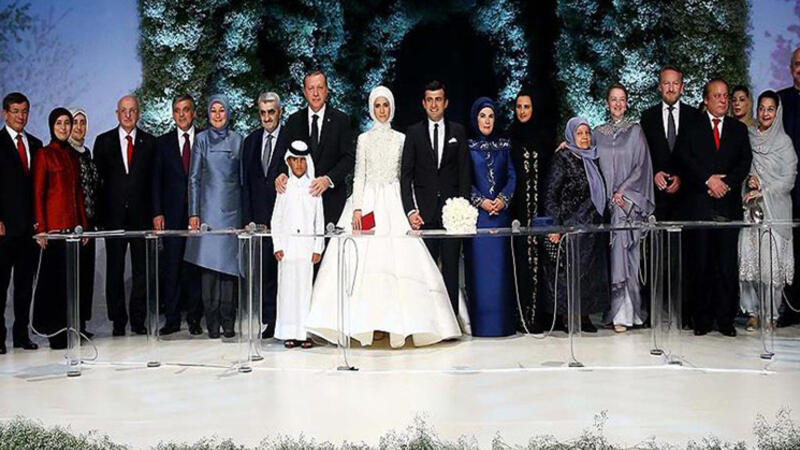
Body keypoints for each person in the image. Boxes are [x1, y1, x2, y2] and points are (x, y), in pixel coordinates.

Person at [305, 86, 461, 348]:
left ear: (392, 108)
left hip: (394, 203)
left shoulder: (401, 139)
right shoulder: (364, 139)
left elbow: (406, 177)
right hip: (367, 203)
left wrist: (411, 209)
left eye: (385, 105)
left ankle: (398, 326)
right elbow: (359, 175)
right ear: (371, 108)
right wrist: (357, 208)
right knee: (364, 265)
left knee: (400, 264)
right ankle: (368, 325)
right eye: (377, 105)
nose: (381, 110)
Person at [678, 79, 752, 337]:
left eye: (725, 96)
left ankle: (725, 319)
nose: (723, 100)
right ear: (706, 100)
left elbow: (744, 162)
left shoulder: (738, 129)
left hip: (728, 206)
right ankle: (702, 318)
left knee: (726, 265)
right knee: (701, 263)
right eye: (717, 96)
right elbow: (684, 159)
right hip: (700, 205)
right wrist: (708, 180)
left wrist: (726, 183)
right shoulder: (692, 126)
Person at [400, 80, 471, 313]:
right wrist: (411, 211)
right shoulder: (413, 133)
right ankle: (429, 320)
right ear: (423, 103)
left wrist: (463, 210)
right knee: (426, 272)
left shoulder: (458, 131)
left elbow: (464, 173)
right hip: (424, 214)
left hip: (452, 215)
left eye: (438, 99)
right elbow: (406, 176)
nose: (433, 104)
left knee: (451, 270)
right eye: (429, 100)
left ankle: (450, 320)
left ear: (445, 103)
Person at [93, 95, 156, 336]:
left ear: (138, 113)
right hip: (114, 218)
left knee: (142, 271)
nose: (128, 115)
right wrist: (99, 218)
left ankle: (138, 320)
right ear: (117, 114)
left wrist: (156, 214)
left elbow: (154, 182)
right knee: (115, 270)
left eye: (132, 110)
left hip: (142, 218)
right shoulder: (103, 141)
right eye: (123, 110)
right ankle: (118, 320)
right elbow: (97, 184)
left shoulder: (150, 142)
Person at [594, 83, 655, 333]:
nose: (618, 104)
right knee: (609, 259)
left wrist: (623, 192)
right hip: (605, 208)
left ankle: (627, 314)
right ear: (607, 103)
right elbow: (588, 157)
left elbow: (642, 166)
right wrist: (569, 145)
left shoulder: (635, 132)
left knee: (627, 257)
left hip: (627, 206)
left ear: (627, 103)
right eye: (613, 99)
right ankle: (613, 311)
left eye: (622, 99)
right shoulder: (597, 133)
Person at [542, 117, 609, 332]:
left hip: (592, 227)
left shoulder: (593, 158)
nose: (585, 137)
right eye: (579, 133)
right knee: (569, 274)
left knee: (588, 275)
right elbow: (551, 194)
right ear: (571, 136)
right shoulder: (563, 158)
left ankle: (584, 315)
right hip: (570, 226)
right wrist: (555, 226)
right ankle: (567, 316)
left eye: (587, 133)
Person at [185, 95, 243, 339]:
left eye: (221, 110)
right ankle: (212, 324)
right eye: (213, 110)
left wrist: (246, 215)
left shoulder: (238, 139)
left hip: (233, 212)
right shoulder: (200, 140)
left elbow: (243, 179)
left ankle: (229, 323)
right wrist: (194, 213)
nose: (218, 115)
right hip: (207, 213)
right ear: (208, 114)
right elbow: (194, 178)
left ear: (228, 113)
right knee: (208, 271)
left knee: (229, 271)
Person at [738, 91, 796, 331]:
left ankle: (771, 314)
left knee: (771, 266)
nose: (765, 113)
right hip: (752, 211)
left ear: (777, 112)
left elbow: (789, 179)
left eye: (770, 109)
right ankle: (752, 313)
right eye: (761, 108)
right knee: (749, 262)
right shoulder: (748, 137)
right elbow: (741, 167)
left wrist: (764, 190)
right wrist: (748, 180)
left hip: (775, 211)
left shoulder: (784, 143)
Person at [32, 108, 87, 349]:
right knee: (52, 284)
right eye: (59, 123)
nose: (64, 128)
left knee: (70, 283)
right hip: (53, 231)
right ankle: (54, 333)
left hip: (72, 231)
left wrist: (83, 225)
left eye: (67, 123)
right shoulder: (44, 154)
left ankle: (70, 329)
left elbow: (78, 194)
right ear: (52, 127)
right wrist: (41, 228)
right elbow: (38, 193)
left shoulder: (72, 156)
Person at [463, 97, 516, 337]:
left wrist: (503, 199)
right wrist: (480, 201)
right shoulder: (468, 147)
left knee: (500, 274)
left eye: (491, 116)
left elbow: (512, 177)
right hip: (478, 220)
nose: (487, 121)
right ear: (475, 119)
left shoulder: (504, 146)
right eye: (482, 116)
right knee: (481, 275)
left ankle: (502, 325)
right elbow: (465, 180)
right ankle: (482, 326)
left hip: (500, 218)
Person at [152, 94, 203, 336]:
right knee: (171, 267)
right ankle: (171, 319)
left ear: (194, 113)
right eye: (177, 110)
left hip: (198, 214)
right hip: (171, 215)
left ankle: (194, 319)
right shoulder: (162, 143)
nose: (182, 114)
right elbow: (155, 181)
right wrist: (157, 211)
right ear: (173, 114)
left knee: (194, 267)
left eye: (186, 109)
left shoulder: (204, 139)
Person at [276, 70, 354, 227]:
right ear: (305, 92)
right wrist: (283, 174)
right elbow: (285, 156)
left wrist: (328, 180)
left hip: (332, 200)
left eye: (320, 87)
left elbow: (348, 158)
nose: (316, 93)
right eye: (311, 88)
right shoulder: (294, 121)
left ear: (327, 90)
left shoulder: (341, 120)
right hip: (300, 205)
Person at [242, 92, 288, 338]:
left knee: (283, 273)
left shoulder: (291, 138)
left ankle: (283, 322)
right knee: (263, 273)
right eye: (263, 113)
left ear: (279, 112)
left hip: (284, 218)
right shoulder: (250, 141)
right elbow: (246, 184)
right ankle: (268, 321)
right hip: (258, 220)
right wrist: (248, 218)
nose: (267, 117)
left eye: (271, 112)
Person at [0, 92, 42, 354]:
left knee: (25, 285)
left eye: (24, 111)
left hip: (30, 229)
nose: (20, 116)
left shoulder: (36, 144)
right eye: (15, 111)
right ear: (5, 113)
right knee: (1, 284)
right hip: (4, 228)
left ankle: (21, 334)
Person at [271, 141, 324, 348]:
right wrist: (277, 245)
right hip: (287, 248)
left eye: (302, 160)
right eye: (295, 160)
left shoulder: (314, 187)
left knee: (305, 291)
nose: (299, 164)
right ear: (289, 162)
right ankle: (288, 332)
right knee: (287, 291)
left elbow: (319, 220)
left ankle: (305, 333)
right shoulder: (284, 187)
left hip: (307, 249)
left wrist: (318, 247)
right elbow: (276, 219)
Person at [640, 65, 701, 221]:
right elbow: (642, 154)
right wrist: (654, 173)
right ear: (660, 87)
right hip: (657, 199)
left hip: (688, 200)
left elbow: (699, 156)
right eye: (667, 83)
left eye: (675, 83)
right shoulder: (647, 117)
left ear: (682, 87)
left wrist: (682, 178)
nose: (671, 88)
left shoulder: (695, 116)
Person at [507, 87, 542, 333]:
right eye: (518, 107)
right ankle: (520, 317)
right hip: (517, 213)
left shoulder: (543, 137)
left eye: (526, 107)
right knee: (519, 264)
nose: (522, 111)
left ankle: (538, 317)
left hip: (540, 214)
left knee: (539, 264)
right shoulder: (510, 138)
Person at [68, 108, 102, 338]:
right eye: (75, 122)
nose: (79, 127)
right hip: (73, 226)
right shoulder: (65, 152)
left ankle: (80, 324)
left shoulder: (86, 152)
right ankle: (70, 324)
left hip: (89, 224)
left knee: (85, 276)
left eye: (83, 122)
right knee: (72, 275)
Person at [778, 46, 800, 328]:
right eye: (797, 64)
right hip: (786, 190)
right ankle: (791, 308)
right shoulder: (780, 100)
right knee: (789, 249)